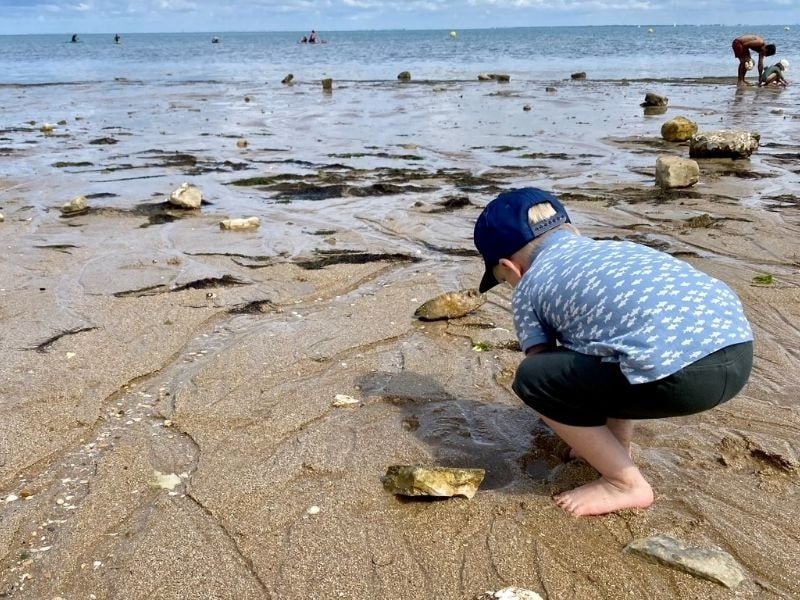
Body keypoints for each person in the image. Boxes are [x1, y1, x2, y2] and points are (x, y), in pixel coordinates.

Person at [473, 187, 754, 516]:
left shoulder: (529, 287)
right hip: (738, 351)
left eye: (505, 279)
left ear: (510, 268)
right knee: (617, 345)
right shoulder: (617, 251)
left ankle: (624, 483)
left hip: (681, 378)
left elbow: (544, 369)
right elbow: (612, 351)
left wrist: (575, 425)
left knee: (533, 380)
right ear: (572, 232)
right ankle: (617, 446)